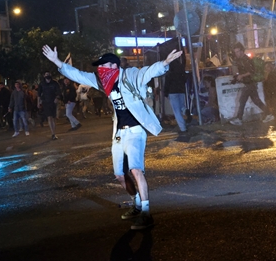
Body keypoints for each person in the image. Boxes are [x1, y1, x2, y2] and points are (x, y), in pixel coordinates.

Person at [43, 45, 182, 230]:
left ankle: (146, 214)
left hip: (135, 131)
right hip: (119, 133)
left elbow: (147, 73)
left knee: (136, 170)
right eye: (99, 67)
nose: (101, 69)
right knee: (119, 175)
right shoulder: (102, 82)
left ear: (115, 66)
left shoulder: (130, 75)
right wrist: (57, 62)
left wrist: (164, 63)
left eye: (104, 65)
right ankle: (137, 204)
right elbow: (78, 75)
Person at [230, 42, 275, 126]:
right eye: (235, 52)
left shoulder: (246, 60)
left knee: (242, 101)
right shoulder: (242, 60)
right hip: (249, 83)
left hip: (250, 83)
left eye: (237, 51)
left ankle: (239, 119)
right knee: (256, 101)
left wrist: (241, 76)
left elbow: (251, 71)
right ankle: (269, 114)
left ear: (241, 51)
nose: (236, 53)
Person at [164, 48, 187, 132]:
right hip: (181, 90)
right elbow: (185, 79)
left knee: (176, 111)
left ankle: (183, 128)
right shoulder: (181, 68)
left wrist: (165, 93)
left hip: (172, 91)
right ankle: (185, 111)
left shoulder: (170, 71)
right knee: (181, 107)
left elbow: (167, 82)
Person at [38, 71, 62, 140]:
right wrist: (38, 103)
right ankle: (53, 133)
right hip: (46, 102)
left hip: (53, 102)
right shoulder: (42, 84)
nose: (47, 75)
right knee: (49, 117)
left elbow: (59, 92)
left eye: (48, 74)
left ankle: (54, 132)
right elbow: (39, 94)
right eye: (46, 74)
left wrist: (57, 98)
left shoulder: (55, 83)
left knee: (53, 118)